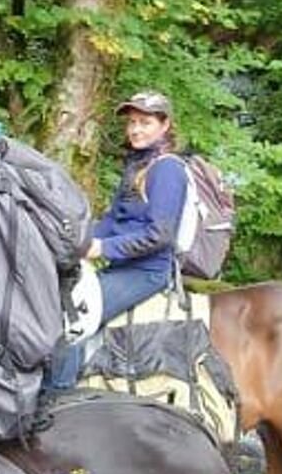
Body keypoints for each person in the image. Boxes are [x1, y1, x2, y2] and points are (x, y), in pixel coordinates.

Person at [48, 90, 189, 387]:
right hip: (122, 265)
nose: (135, 129)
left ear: (165, 125)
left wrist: (103, 247)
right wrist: (75, 241)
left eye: (145, 122)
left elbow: (160, 235)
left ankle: (57, 401)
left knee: (71, 324)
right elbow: (114, 219)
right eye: (132, 122)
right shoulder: (137, 165)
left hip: (147, 271)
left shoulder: (167, 169)